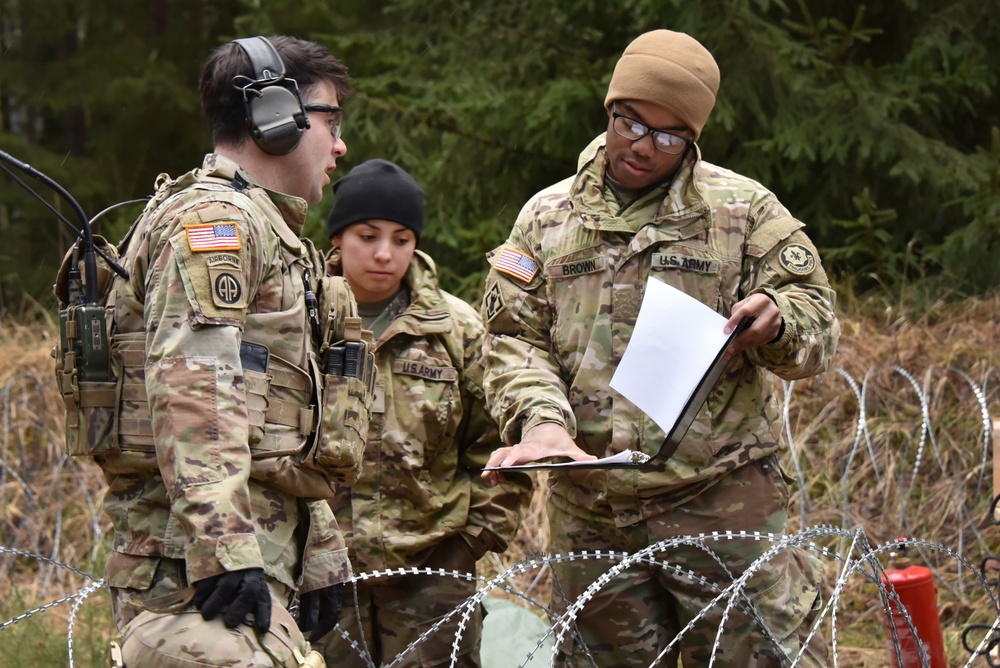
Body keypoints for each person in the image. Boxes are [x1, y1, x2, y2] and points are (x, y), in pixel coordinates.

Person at [479, 29, 839, 668]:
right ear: (609, 110)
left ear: (693, 138)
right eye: (630, 122)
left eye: (669, 135)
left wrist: (779, 320)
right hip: (593, 511)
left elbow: (817, 325)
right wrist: (542, 423)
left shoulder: (744, 213)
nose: (643, 145)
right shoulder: (545, 219)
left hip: (719, 503)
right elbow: (513, 339)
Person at [75, 35, 371, 668]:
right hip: (192, 586)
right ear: (275, 117)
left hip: (241, 573)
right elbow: (195, 390)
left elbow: (275, 424)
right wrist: (224, 550)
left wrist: (316, 546)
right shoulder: (218, 224)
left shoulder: (269, 231)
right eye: (330, 120)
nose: (340, 145)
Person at [314, 159, 531, 667]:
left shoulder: (457, 332)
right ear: (338, 238)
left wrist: (467, 545)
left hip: (431, 576)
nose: (384, 254)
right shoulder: (301, 322)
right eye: (367, 236)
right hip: (323, 574)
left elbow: (501, 449)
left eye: (402, 238)